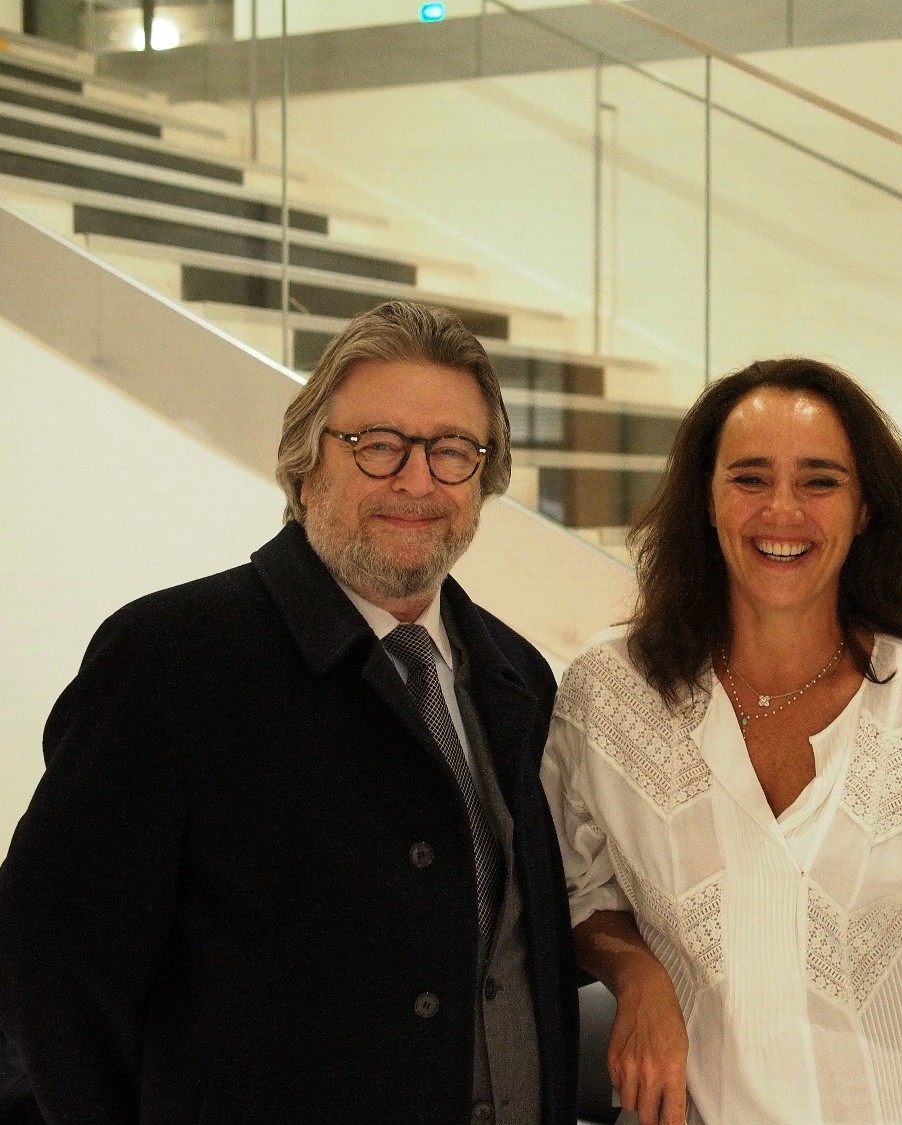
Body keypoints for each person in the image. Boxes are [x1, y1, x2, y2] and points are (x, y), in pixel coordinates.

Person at [0, 301, 579, 1124]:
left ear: (482, 482)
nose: (418, 480)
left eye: (453, 450)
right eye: (379, 444)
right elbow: (51, 965)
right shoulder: (170, 660)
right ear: (307, 467)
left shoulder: (518, 676)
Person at [542, 358, 902, 1125]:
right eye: (750, 478)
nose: (782, 509)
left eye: (820, 481)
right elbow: (570, 889)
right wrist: (636, 972)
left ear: (865, 508)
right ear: (706, 500)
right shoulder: (609, 694)